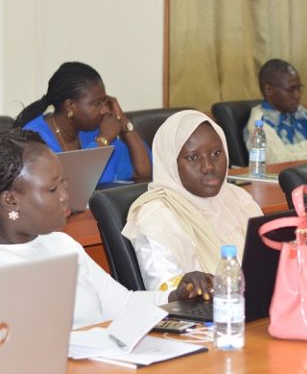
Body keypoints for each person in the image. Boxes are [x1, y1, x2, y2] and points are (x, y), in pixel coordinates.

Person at [0, 129, 207, 329]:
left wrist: (176, 296)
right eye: (52, 189)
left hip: (101, 360)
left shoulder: (64, 245)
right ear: (10, 200)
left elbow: (123, 304)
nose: (65, 196)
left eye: (64, 183)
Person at [123, 110, 263, 292]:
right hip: (209, 315)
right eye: (192, 157)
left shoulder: (238, 198)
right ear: (171, 163)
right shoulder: (156, 217)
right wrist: (183, 288)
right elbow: (165, 292)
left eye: (216, 153)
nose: (208, 166)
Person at [15, 62, 151, 185]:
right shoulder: (34, 139)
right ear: (70, 105)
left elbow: (144, 173)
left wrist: (123, 121)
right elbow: (70, 189)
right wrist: (103, 140)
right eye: (97, 103)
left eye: (105, 101)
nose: (104, 110)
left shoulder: (93, 130)